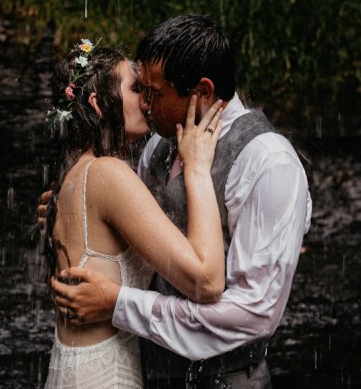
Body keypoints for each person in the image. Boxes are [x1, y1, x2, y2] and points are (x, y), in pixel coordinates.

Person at [48, 15, 313, 389]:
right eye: (139, 89)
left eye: (153, 93)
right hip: (148, 372)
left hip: (228, 380)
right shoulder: (156, 146)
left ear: (202, 92)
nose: (146, 104)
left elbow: (255, 313)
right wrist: (77, 211)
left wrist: (120, 305)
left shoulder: (269, 162)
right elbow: (133, 239)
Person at [41, 39, 227, 389]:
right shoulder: (108, 174)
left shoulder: (71, 175)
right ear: (98, 104)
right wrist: (197, 171)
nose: (147, 99)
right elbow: (207, 281)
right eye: (135, 88)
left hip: (71, 369)